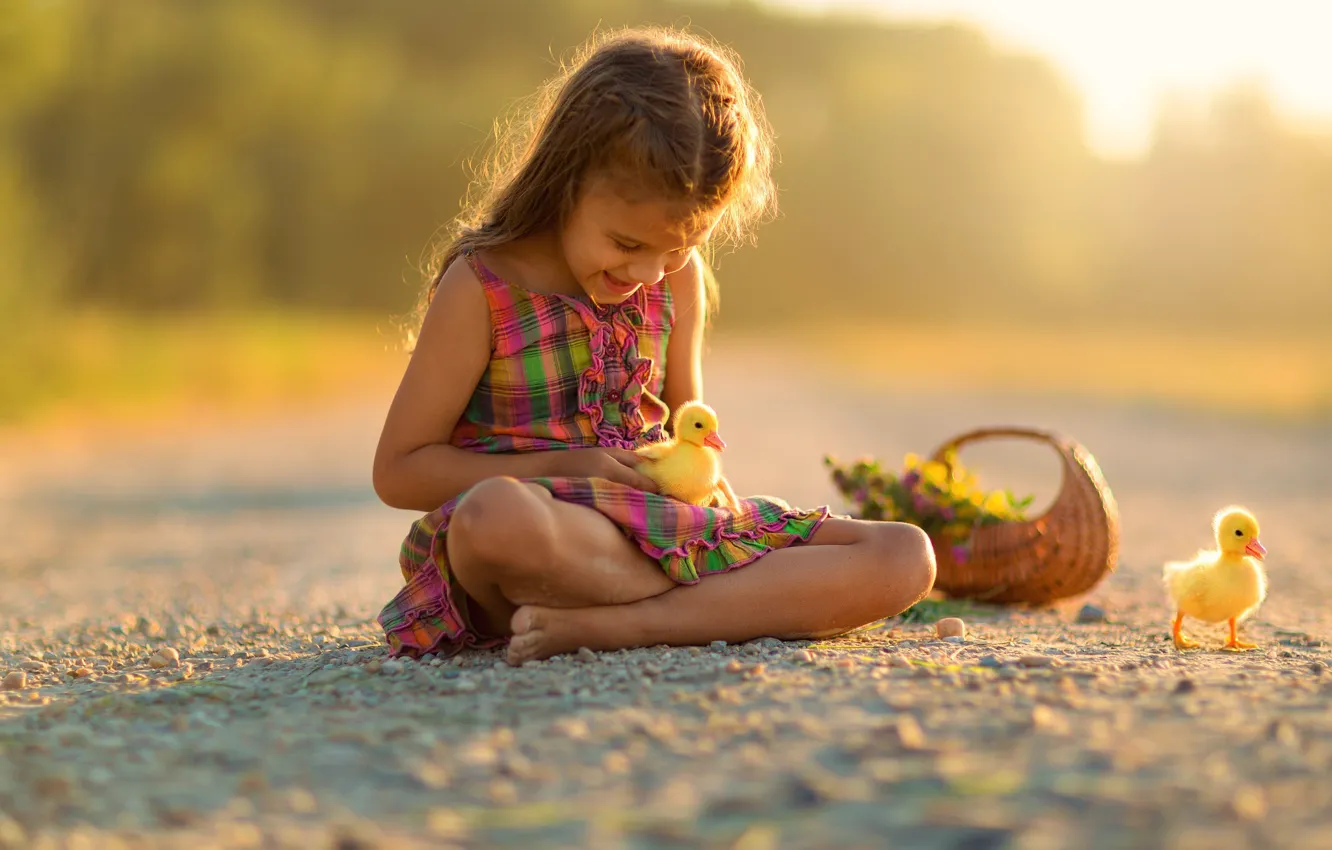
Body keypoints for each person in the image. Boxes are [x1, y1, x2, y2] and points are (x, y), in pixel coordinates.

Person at [372, 27, 935, 665]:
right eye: (626, 244)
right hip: (553, 531)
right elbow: (400, 470)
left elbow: (690, 437)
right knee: (492, 519)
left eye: (680, 247)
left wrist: (711, 503)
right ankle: (711, 605)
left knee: (903, 554)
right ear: (564, 183)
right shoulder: (483, 286)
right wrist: (571, 468)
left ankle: (624, 624)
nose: (647, 273)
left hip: (664, 528)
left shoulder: (679, 280)